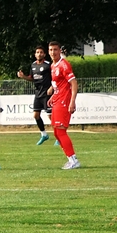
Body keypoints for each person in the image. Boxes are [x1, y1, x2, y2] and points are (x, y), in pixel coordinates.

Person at [47, 41, 80, 169]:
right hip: (57, 100)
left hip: (64, 101)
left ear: (60, 50)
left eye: (55, 49)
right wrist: (53, 96)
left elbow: (74, 83)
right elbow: (59, 84)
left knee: (60, 131)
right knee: (56, 132)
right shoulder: (53, 66)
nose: (53, 52)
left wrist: (72, 101)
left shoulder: (64, 65)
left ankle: (74, 160)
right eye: (51, 50)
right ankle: (71, 159)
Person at [16, 45, 52, 145]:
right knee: (36, 115)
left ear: (44, 54)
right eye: (37, 52)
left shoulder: (48, 65)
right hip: (38, 93)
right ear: (35, 54)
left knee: (51, 116)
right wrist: (23, 77)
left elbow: (55, 78)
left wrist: (51, 87)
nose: (39, 54)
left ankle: (59, 137)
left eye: (41, 52)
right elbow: (32, 78)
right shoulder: (33, 65)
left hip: (47, 93)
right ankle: (44, 134)